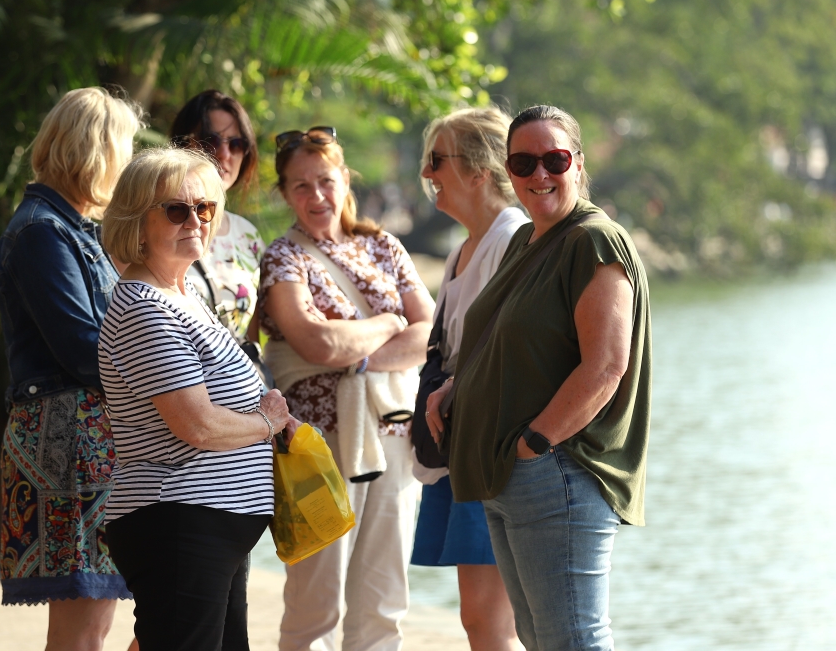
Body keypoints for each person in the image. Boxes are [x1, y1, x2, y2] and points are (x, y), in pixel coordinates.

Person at [434, 105, 652, 651]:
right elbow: (511, 343)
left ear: (577, 162)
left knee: (572, 638)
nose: (539, 175)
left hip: (557, 472)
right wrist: (458, 388)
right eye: (523, 163)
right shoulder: (527, 240)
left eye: (554, 160)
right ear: (508, 170)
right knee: (538, 637)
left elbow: (606, 366)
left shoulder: (593, 241)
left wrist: (534, 444)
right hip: (510, 474)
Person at [97, 148, 298, 651]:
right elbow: (198, 425)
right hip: (179, 523)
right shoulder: (144, 307)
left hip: (207, 527)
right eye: (176, 209)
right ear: (137, 222)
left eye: (205, 208)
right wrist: (266, 423)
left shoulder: (186, 296)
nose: (195, 220)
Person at [257, 127, 434, 651]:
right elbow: (317, 343)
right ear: (285, 193)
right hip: (315, 445)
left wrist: (357, 355)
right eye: (301, 185)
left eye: (325, 181)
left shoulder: (383, 245)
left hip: (392, 433)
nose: (316, 195)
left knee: (384, 598)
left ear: (345, 181)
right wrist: (388, 324)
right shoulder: (283, 257)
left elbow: (433, 333)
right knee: (316, 599)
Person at [0, 87, 141, 650]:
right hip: (68, 438)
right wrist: (158, 378)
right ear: (97, 152)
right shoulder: (42, 231)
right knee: (82, 630)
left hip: (86, 436)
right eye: (125, 150)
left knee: (96, 621)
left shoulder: (71, 227)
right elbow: (83, 348)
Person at [412, 108, 529, 651]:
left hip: (492, 448)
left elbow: (514, 346)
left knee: (491, 618)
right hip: (463, 444)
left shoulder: (511, 236)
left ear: (479, 170)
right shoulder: (464, 248)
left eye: (437, 160)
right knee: (479, 618)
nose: (427, 173)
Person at [170, 90, 266, 341]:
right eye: (211, 140)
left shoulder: (248, 236)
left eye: (237, 144)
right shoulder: (156, 223)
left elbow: (251, 338)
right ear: (183, 144)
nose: (224, 154)